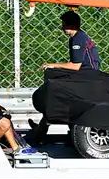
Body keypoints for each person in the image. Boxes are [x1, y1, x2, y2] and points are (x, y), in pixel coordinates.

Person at [28, 10, 102, 142]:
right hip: (85, 75)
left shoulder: (78, 38)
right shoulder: (79, 37)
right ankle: (42, 129)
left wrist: (52, 65)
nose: (62, 27)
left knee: (55, 94)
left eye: (64, 24)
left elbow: (76, 65)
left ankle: (40, 130)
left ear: (72, 25)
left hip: (86, 77)